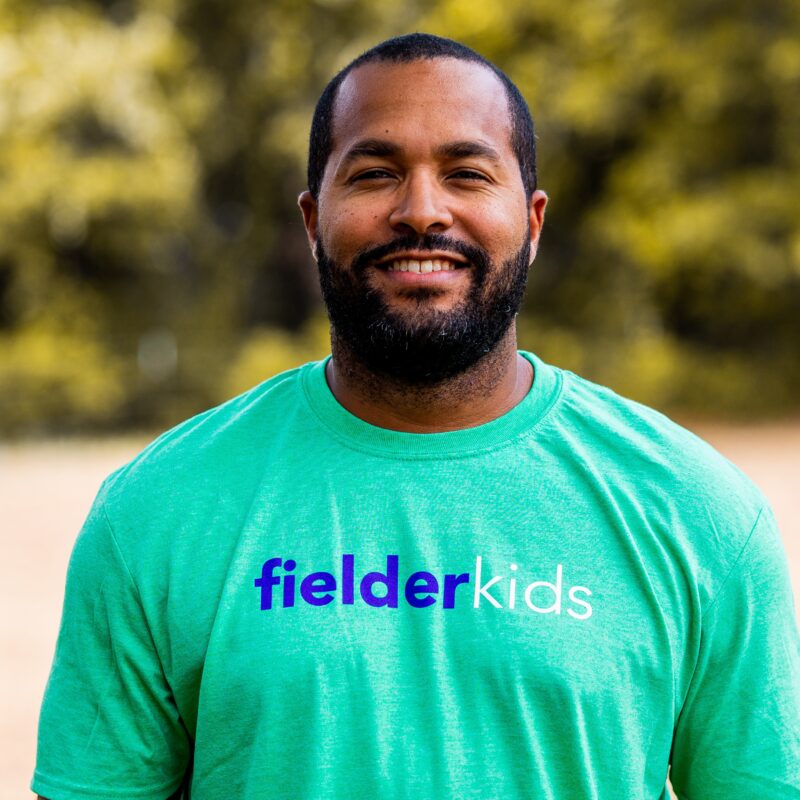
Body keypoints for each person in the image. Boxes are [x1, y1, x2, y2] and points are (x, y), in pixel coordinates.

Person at [33, 33, 799, 800]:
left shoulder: (698, 513)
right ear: (312, 221)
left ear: (533, 223)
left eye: (467, 173)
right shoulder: (157, 510)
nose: (422, 211)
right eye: (375, 174)